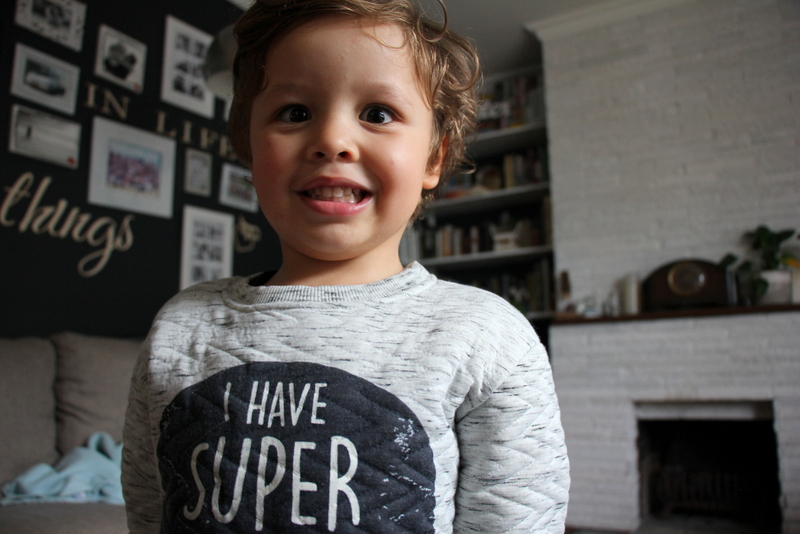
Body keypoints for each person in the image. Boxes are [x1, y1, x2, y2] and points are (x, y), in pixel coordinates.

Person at [121, 0, 570, 532]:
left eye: (378, 114)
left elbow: (518, 517)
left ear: (432, 157)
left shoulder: (489, 338)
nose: (332, 140)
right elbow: (150, 507)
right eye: (295, 113)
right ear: (249, 147)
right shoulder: (180, 328)